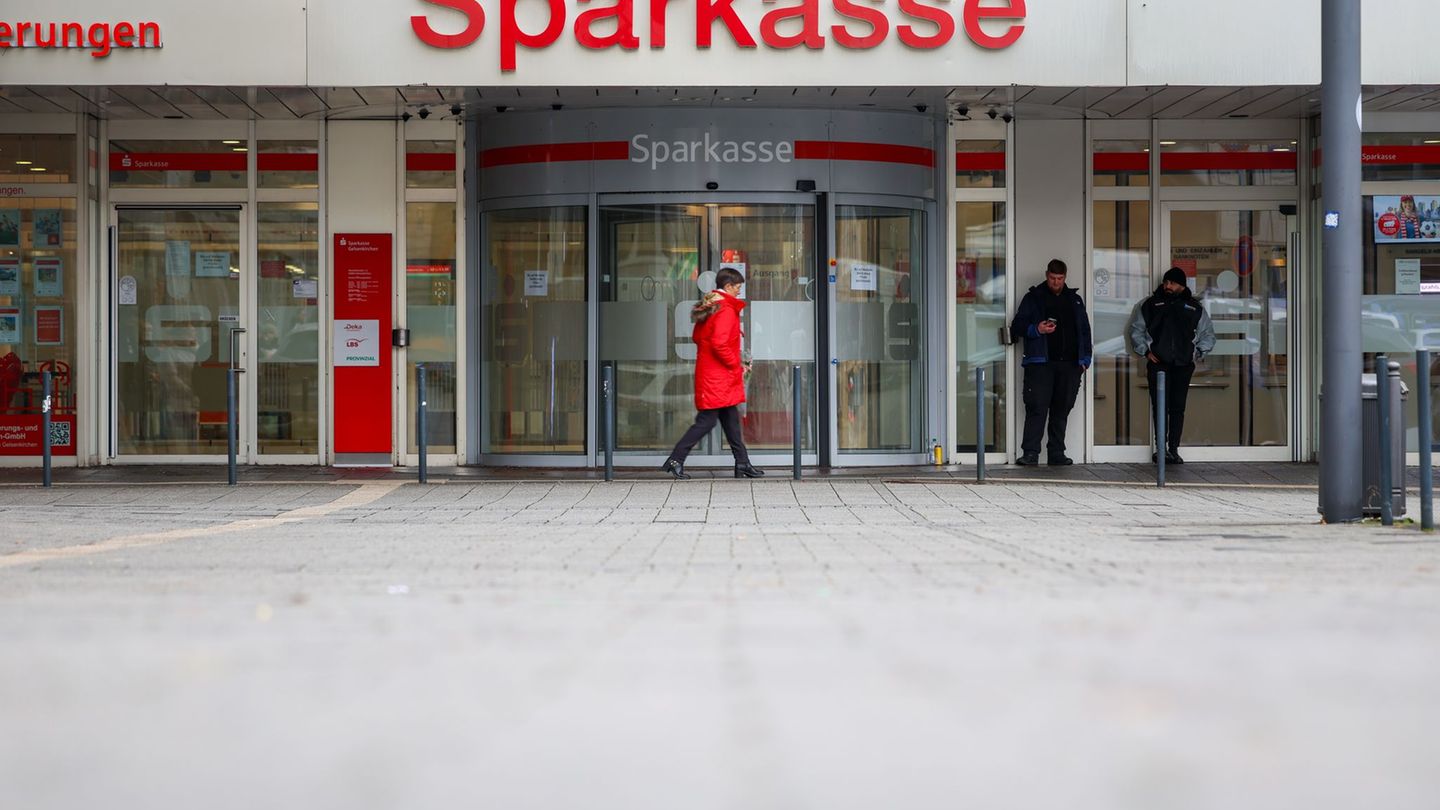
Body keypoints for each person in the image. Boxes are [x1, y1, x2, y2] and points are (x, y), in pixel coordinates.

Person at [661, 266, 765, 480]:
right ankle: (675, 459)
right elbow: (719, 343)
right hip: (719, 376)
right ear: (727, 286)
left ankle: (743, 463)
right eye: (737, 287)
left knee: (731, 422)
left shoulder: (711, 306)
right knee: (706, 421)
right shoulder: (725, 309)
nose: (739, 291)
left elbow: (699, 337)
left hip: (712, 373)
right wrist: (735, 364)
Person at [1128, 267, 1216, 464]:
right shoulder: (1151, 304)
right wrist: (1145, 352)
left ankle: (1173, 449)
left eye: (1172, 283)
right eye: (1166, 282)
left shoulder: (1194, 307)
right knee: (1159, 406)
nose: (1167, 286)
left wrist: (1197, 353)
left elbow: (1208, 334)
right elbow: (1136, 330)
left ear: (1181, 285)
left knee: (1177, 408)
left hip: (1183, 365)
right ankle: (1161, 450)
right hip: (1158, 364)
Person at [1010, 258, 1092, 466]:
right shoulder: (1034, 298)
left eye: (1060, 278)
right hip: (1040, 364)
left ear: (1065, 277)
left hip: (1070, 365)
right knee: (1037, 407)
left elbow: (1084, 330)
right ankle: (1030, 453)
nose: (1056, 282)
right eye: (1053, 278)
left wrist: (1085, 359)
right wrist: (1037, 329)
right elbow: (1017, 326)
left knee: (1061, 408)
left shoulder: (1075, 300)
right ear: (1047, 275)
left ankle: (1056, 453)